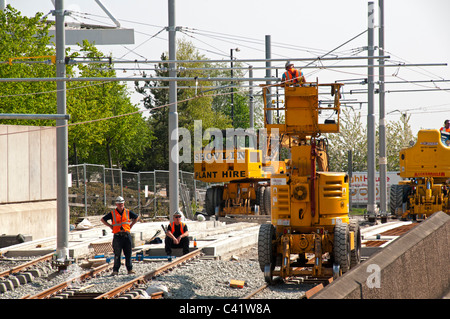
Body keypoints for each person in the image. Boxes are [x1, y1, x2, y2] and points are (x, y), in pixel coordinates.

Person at [101, 196, 139, 275]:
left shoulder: (128, 212)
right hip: (117, 236)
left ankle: (129, 269)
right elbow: (103, 219)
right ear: (116, 204)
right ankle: (115, 270)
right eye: (119, 204)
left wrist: (130, 226)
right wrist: (110, 226)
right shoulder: (113, 213)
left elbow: (136, 217)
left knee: (128, 253)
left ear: (123, 203)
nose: (120, 205)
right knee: (117, 254)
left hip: (126, 235)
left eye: (121, 204)